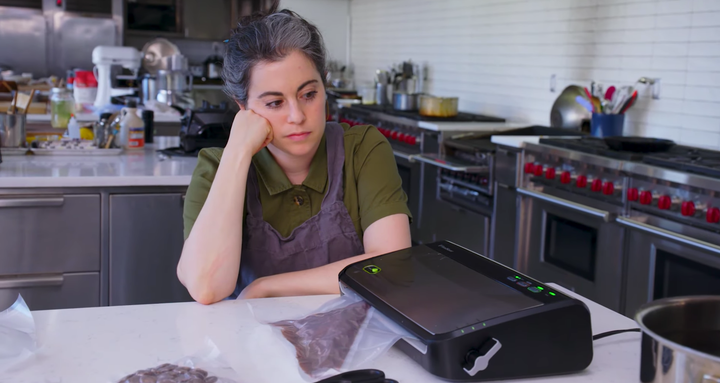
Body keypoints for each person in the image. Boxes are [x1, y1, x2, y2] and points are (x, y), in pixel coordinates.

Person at [178, 2, 412, 305]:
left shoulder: (363, 150)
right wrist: (237, 152)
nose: (297, 116)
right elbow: (206, 287)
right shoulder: (216, 168)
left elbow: (391, 268)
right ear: (243, 107)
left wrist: (267, 288)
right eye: (274, 103)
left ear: (325, 86)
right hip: (249, 341)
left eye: (309, 95)